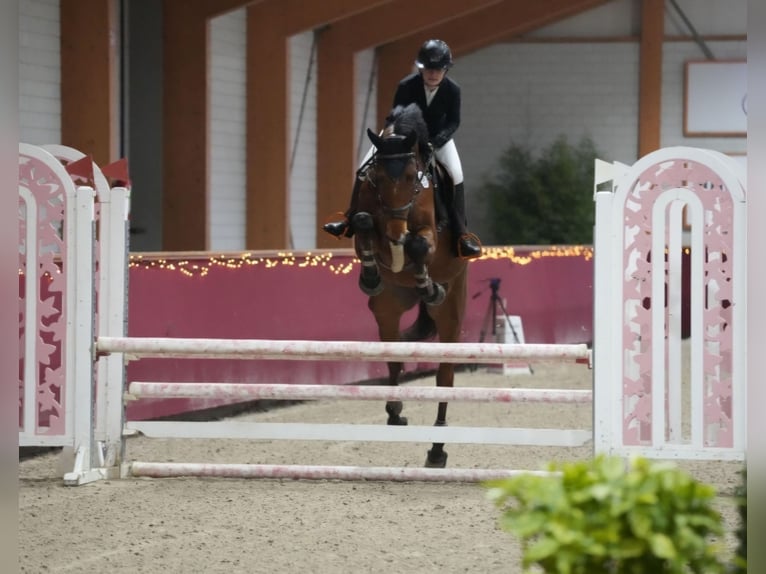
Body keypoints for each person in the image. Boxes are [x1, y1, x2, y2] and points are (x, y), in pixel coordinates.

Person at [323, 38, 482, 259]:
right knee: (363, 167)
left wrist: (437, 140)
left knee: (456, 175)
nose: (433, 74)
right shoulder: (407, 85)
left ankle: (461, 235)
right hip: (402, 137)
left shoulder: (452, 90)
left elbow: (454, 121)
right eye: (428, 69)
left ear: (445, 70)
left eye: (438, 70)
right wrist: (393, 138)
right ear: (421, 69)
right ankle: (348, 220)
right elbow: (395, 114)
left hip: (437, 139)